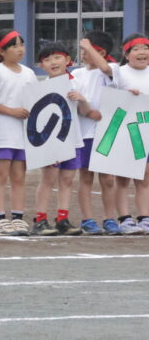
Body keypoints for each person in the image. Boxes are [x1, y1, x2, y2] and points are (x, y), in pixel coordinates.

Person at [30, 42, 88, 236]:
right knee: (48, 179)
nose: (53, 62)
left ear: (67, 60)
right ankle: (40, 220)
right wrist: (48, 146)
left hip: (73, 138)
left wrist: (81, 99)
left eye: (57, 57)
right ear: (41, 65)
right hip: (51, 140)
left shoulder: (76, 83)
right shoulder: (42, 87)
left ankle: (62, 219)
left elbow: (85, 112)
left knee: (67, 180)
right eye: (47, 60)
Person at [0, 29, 37, 236]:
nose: (20, 49)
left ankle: (18, 218)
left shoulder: (29, 73)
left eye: (21, 45)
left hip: (22, 134)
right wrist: (12, 111)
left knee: (19, 176)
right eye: (14, 46)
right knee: (1, 175)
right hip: (2, 133)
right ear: (1, 51)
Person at [72, 34, 120, 235]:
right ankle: (87, 219)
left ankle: (110, 218)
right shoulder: (77, 74)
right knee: (86, 177)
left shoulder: (112, 69)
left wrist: (89, 46)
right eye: (82, 50)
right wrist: (86, 111)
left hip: (107, 132)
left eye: (88, 50)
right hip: (85, 133)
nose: (83, 54)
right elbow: (73, 100)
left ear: (102, 52)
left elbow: (106, 69)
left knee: (108, 179)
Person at [113, 33, 149, 235]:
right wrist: (125, 95)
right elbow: (108, 96)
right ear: (126, 54)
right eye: (136, 49)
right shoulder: (119, 73)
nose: (142, 52)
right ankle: (124, 219)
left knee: (145, 177)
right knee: (123, 178)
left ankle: (145, 218)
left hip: (146, 129)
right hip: (126, 129)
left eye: (146, 48)